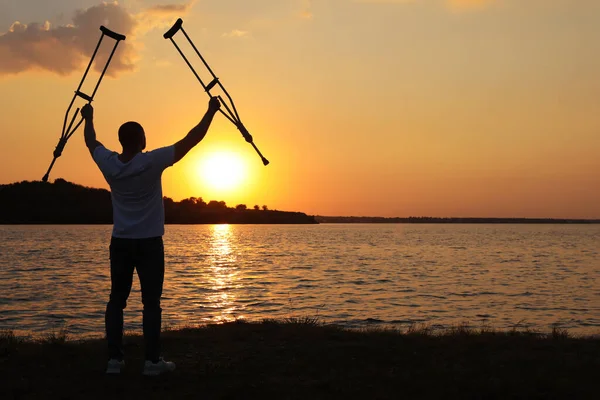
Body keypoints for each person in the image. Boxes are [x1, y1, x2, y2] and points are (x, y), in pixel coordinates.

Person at [81, 97, 221, 375]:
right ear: (141, 140)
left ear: (122, 141)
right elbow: (191, 139)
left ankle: (115, 361)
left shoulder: (109, 163)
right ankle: (152, 362)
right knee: (151, 303)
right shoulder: (152, 161)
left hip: (120, 242)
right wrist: (210, 111)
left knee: (116, 300)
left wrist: (88, 117)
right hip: (149, 244)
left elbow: (91, 142)